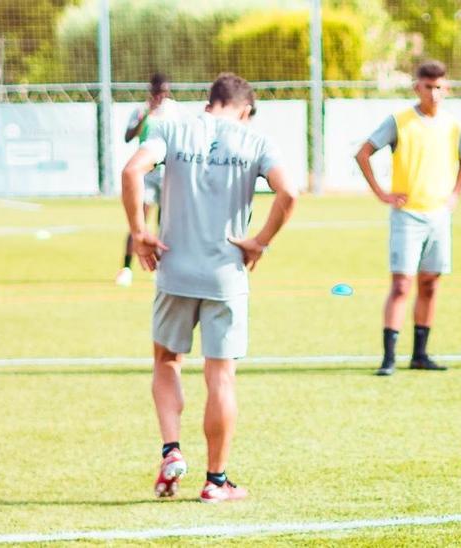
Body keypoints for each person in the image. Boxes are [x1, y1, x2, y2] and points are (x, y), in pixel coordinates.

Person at [121, 73, 297, 502]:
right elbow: (289, 191)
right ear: (245, 110)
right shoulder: (256, 142)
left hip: (174, 268)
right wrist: (260, 242)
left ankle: (171, 449)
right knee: (221, 375)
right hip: (226, 274)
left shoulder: (172, 127)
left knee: (167, 361)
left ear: (210, 102)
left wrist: (139, 231)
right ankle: (216, 482)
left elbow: (132, 170)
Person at [355, 60, 461, 377]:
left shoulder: (452, 125)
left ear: (445, 88)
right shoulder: (399, 121)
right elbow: (363, 153)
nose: (433, 93)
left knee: (430, 284)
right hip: (407, 216)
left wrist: (455, 194)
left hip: (439, 216)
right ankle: (389, 357)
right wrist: (381, 193)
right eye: (427, 86)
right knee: (402, 284)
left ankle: (420, 354)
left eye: (438, 87)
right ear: (416, 87)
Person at [116, 72, 184, 287]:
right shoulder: (141, 110)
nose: (161, 96)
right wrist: (144, 115)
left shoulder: (174, 110)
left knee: (166, 223)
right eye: (158, 92)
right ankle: (126, 268)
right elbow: (128, 136)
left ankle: (161, 268)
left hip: (170, 172)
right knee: (139, 220)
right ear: (151, 91)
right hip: (146, 173)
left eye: (165, 91)